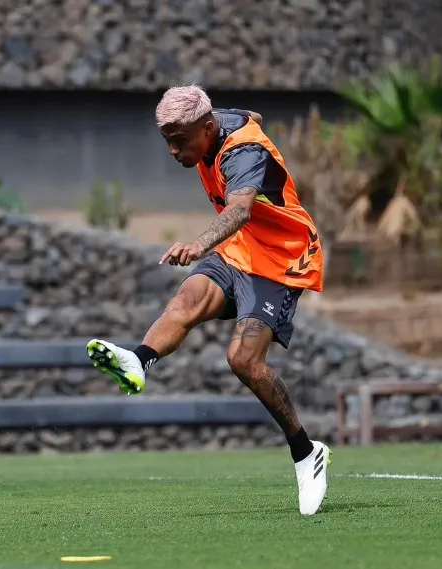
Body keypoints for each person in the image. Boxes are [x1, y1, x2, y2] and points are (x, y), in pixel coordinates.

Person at [86, 85, 330, 515]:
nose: (173, 150)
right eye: (167, 140)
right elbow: (250, 115)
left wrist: (199, 245)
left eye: (180, 140)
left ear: (206, 127)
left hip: (281, 258)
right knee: (188, 297)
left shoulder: (243, 154)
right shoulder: (216, 121)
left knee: (243, 360)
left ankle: (306, 452)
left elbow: (239, 211)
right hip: (241, 248)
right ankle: (139, 360)